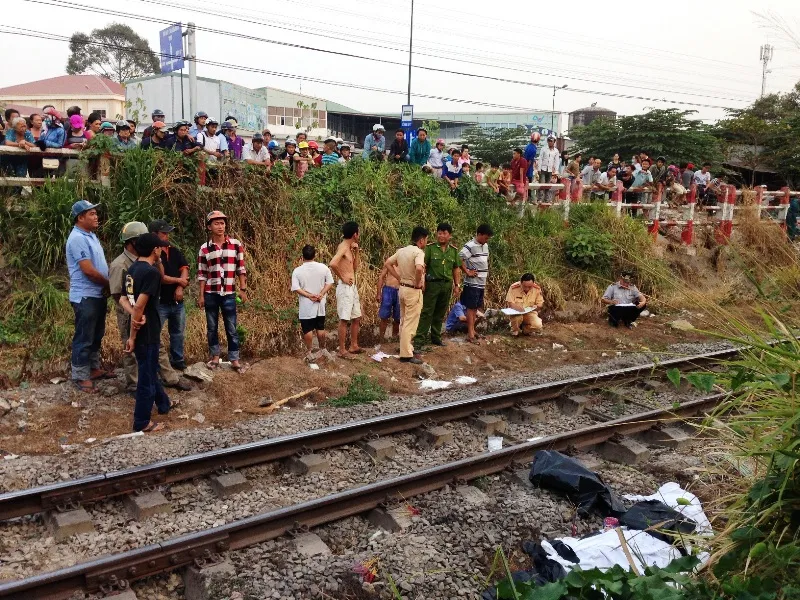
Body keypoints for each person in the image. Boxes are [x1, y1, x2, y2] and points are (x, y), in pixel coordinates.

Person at [124, 233, 173, 433]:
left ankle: (164, 403)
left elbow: (124, 299)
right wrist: (132, 336)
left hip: (141, 327)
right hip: (147, 332)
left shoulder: (133, 269)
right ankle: (142, 422)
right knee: (146, 378)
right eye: (159, 247)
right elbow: (139, 305)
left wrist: (134, 316)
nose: (161, 249)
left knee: (150, 369)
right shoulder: (151, 273)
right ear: (155, 250)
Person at [66, 200, 110, 394]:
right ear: (80, 217)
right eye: (91, 214)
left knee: (96, 334)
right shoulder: (77, 238)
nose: (96, 217)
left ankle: (93, 368)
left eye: (95, 213)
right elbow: (88, 271)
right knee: (84, 336)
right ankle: (80, 375)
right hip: (85, 296)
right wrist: (109, 284)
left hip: (97, 294)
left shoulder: (91, 236)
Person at [197, 211, 249, 373]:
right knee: (212, 327)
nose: (220, 226)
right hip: (210, 293)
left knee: (231, 327)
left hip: (229, 293)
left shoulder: (235, 244)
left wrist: (243, 289)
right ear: (209, 227)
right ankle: (215, 357)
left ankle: (234, 359)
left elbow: (241, 268)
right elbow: (202, 274)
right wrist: (201, 295)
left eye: (222, 223)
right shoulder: (204, 249)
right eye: (216, 223)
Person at [109, 221, 149, 392]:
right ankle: (133, 383)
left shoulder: (143, 259)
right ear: (133, 241)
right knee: (129, 345)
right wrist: (133, 312)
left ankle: (149, 378)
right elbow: (117, 294)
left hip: (144, 310)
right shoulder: (119, 265)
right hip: (127, 312)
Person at [384, 226, 429, 364]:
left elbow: (388, 263)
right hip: (413, 290)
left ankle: (405, 347)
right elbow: (419, 268)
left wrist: (399, 277)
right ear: (421, 240)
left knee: (404, 320)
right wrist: (418, 281)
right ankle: (406, 354)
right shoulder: (418, 252)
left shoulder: (402, 251)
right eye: (426, 239)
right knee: (410, 322)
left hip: (402, 288)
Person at [150, 220, 190, 372]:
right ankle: (155, 363)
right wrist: (179, 281)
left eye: (167, 233)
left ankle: (178, 360)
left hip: (176, 301)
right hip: (159, 301)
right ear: (154, 235)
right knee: (155, 334)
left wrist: (180, 287)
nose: (167, 236)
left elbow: (184, 268)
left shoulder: (174, 251)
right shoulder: (151, 254)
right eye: (164, 233)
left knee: (178, 333)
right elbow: (161, 278)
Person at [414, 223, 461, 350]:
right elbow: (424, 266)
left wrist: (457, 285)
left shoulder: (453, 251)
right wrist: (423, 282)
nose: (441, 236)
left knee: (440, 312)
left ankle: (436, 337)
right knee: (427, 312)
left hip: (446, 285)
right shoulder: (430, 248)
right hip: (432, 284)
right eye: (439, 233)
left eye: (444, 233)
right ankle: (419, 340)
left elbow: (456, 269)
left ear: (449, 235)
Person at [291, 245, 334, 360]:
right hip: (320, 303)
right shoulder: (323, 268)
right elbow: (330, 282)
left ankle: (309, 351)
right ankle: (322, 348)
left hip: (306, 305)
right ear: (315, 255)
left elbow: (296, 288)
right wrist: (321, 294)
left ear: (302, 256)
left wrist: (309, 295)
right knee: (320, 327)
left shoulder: (297, 271)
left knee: (307, 329)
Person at [329, 221, 363, 358]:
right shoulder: (343, 247)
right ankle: (342, 350)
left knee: (356, 317)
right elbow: (332, 263)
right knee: (344, 319)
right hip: (345, 287)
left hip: (352, 287)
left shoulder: (349, 248)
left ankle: (354, 345)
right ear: (355, 234)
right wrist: (342, 277)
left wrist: (357, 251)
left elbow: (355, 268)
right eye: (358, 232)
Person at [459, 224, 493, 344]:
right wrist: (467, 271)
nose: (486, 240)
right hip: (472, 283)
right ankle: (470, 334)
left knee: (475, 308)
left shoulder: (485, 246)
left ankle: (473, 330)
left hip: (481, 283)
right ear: (479, 234)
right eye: (485, 238)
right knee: (470, 307)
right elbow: (459, 258)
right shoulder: (470, 246)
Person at [376, 261, 401, 343]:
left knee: (398, 317)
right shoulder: (390, 262)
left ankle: (394, 338)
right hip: (388, 290)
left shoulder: (405, 262)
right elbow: (381, 277)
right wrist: (379, 293)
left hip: (400, 290)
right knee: (384, 316)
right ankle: (381, 338)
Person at [537, 136, 560, 202]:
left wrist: (556, 171)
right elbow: (540, 159)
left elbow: (556, 161)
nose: (550, 142)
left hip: (550, 170)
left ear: (554, 142)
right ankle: (540, 199)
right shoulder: (544, 149)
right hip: (543, 169)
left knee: (548, 185)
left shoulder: (556, 151)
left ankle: (547, 199)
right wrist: (539, 169)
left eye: (551, 141)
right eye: (549, 141)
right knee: (542, 184)